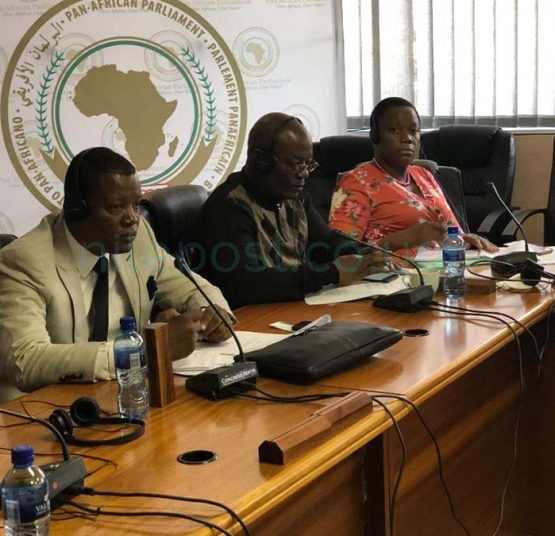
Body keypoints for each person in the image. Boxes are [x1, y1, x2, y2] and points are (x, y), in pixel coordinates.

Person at [0, 147, 234, 401]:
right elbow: (26, 361)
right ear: (76, 210)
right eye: (116, 207)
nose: (132, 219)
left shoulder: (139, 236)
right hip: (45, 407)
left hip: (126, 393)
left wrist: (214, 314)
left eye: (136, 205)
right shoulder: (23, 261)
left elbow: (191, 287)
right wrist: (144, 352)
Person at [198, 112, 385, 308]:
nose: (304, 174)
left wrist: (361, 255)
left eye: (308, 164)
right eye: (296, 164)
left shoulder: (295, 197)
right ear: (260, 160)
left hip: (295, 307)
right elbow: (248, 284)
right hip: (255, 316)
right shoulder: (229, 207)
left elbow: (325, 243)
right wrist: (332, 273)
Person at [328, 97, 498, 256]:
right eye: (394, 130)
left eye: (413, 131)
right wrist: (401, 239)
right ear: (375, 136)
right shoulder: (356, 183)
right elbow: (343, 254)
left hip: (447, 269)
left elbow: (453, 234)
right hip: (393, 275)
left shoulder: (424, 175)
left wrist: (466, 240)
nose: (407, 139)